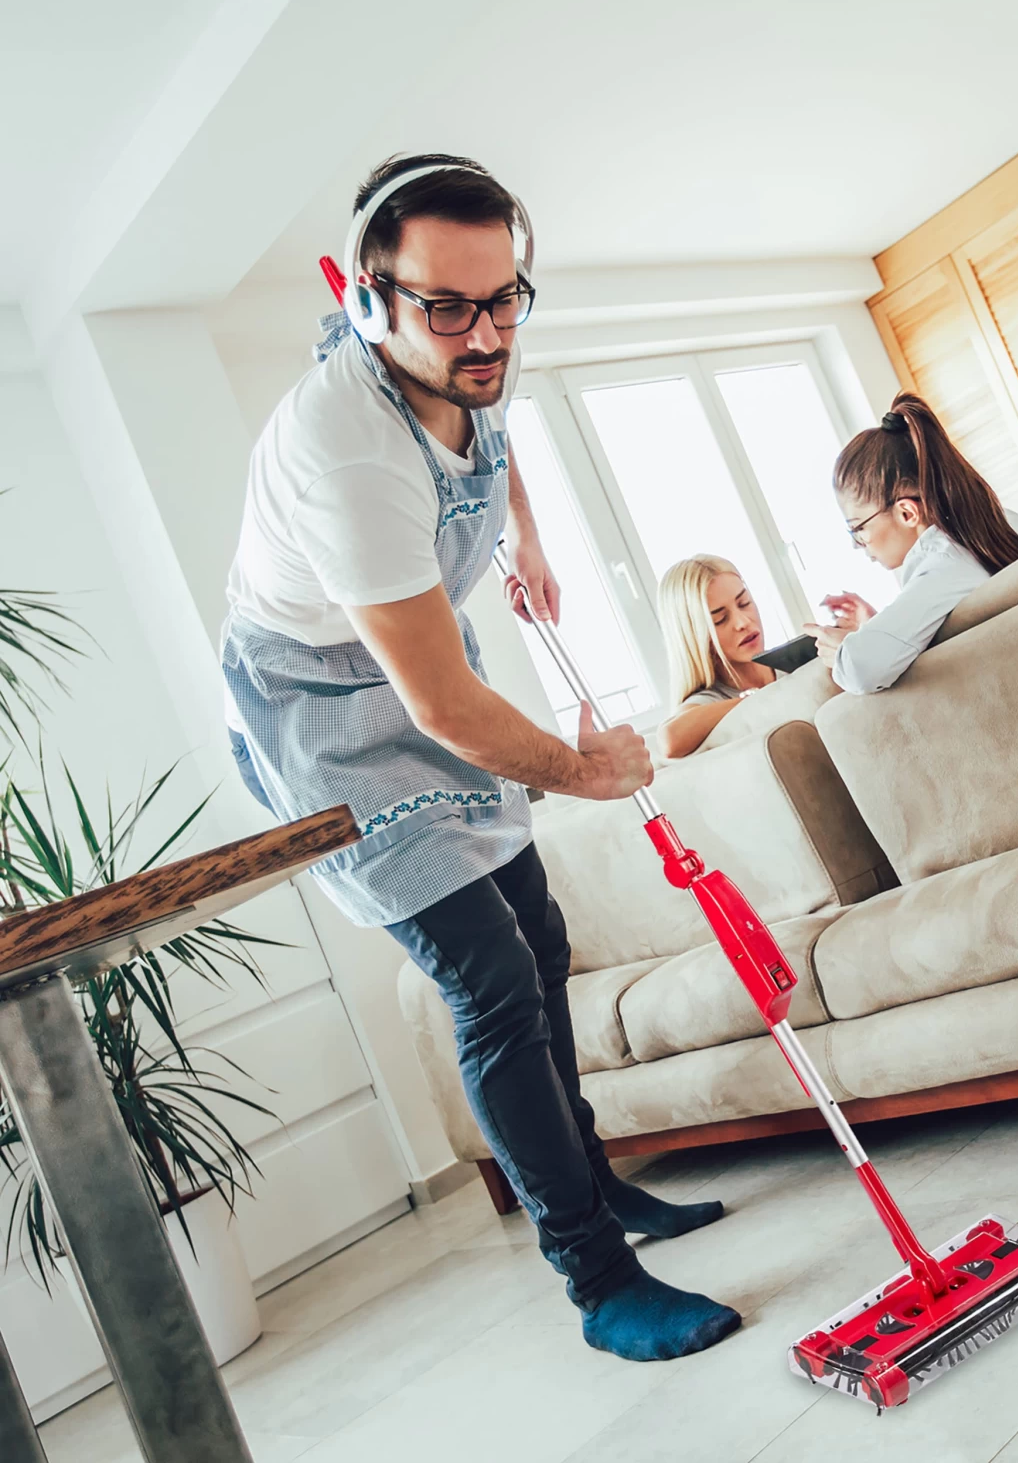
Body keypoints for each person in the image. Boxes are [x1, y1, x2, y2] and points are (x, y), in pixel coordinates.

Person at [220, 154, 739, 1362]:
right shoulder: (342, 448)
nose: (483, 330)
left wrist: (529, 533)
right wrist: (586, 769)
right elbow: (446, 706)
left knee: (542, 936)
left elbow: (492, 429)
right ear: (366, 295)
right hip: (325, 710)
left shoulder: (474, 350)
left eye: (505, 296)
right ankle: (598, 1280)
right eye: (446, 305)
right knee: (492, 982)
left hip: (418, 661)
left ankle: (604, 1184)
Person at [808, 393, 1018, 693]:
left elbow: (863, 670)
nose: (859, 545)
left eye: (858, 529)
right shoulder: (994, 523)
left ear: (907, 512)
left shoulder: (945, 561)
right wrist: (875, 625)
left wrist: (844, 650)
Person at [656, 556, 783, 758]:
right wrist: (753, 698)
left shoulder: (790, 662)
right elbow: (669, 740)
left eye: (744, 603)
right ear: (695, 636)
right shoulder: (709, 701)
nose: (743, 622)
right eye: (720, 619)